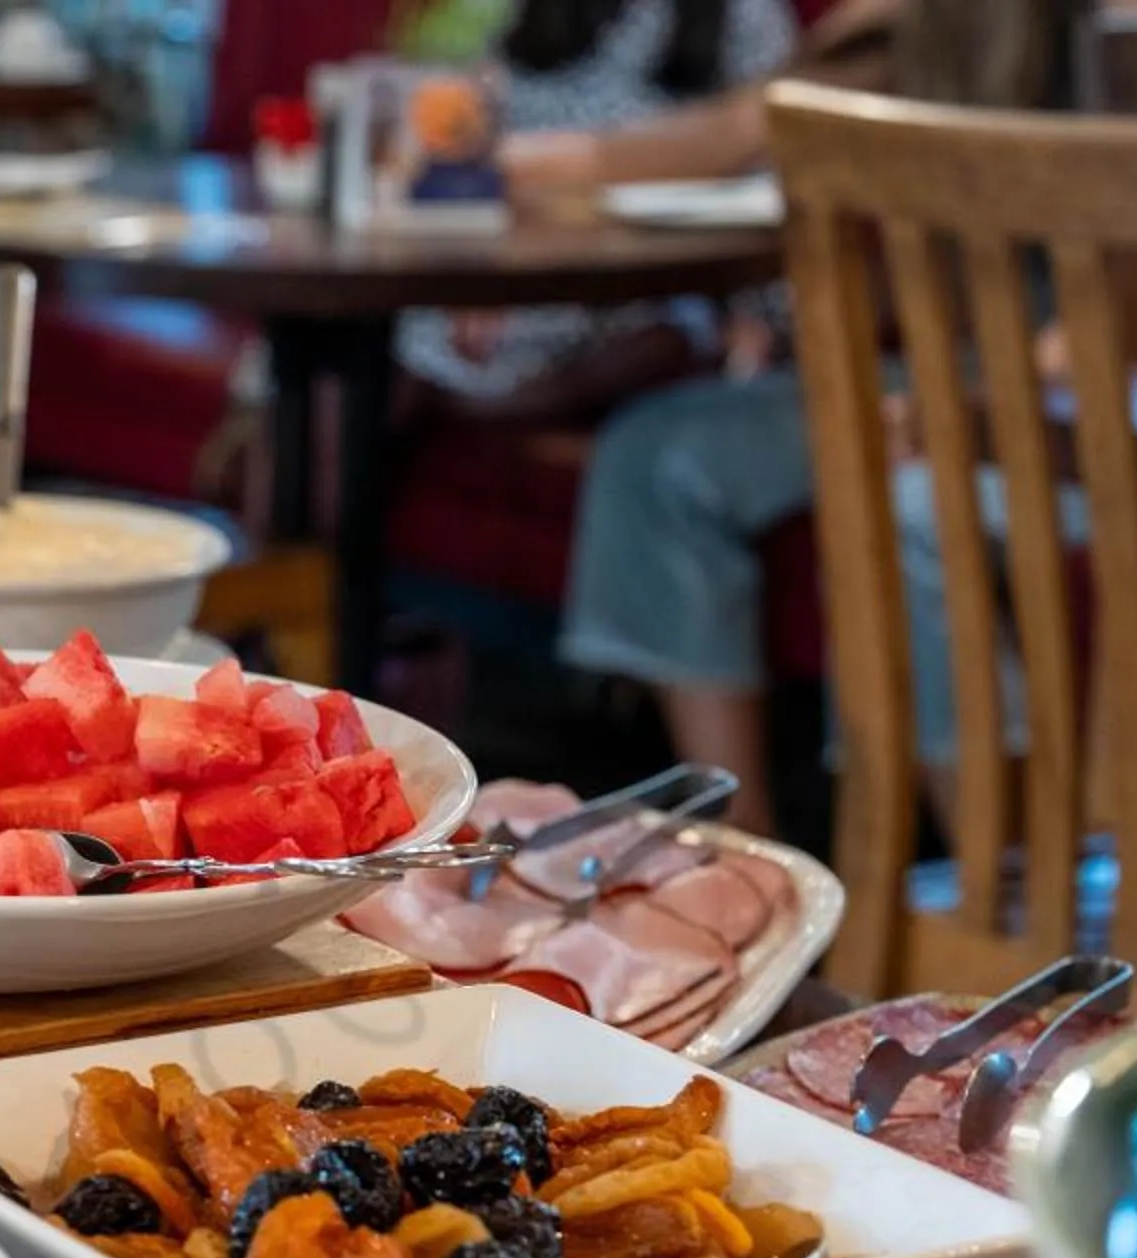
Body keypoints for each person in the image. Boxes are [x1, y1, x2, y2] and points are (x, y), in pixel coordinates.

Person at [546, 0, 1099, 828]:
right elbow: (747, 128)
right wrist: (518, 167)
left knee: (914, 507)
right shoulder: (905, 29)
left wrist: (968, 411)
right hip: (939, 369)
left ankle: (1002, 878)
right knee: (658, 454)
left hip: (1094, 396)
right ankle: (744, 855)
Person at [393, 0, 803, 426]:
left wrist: (526, 169)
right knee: (388, 343)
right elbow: (465, 132)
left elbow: (760, 147)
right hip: (522, 276)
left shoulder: (744, 18)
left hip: (661, 284)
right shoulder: (531, 18)